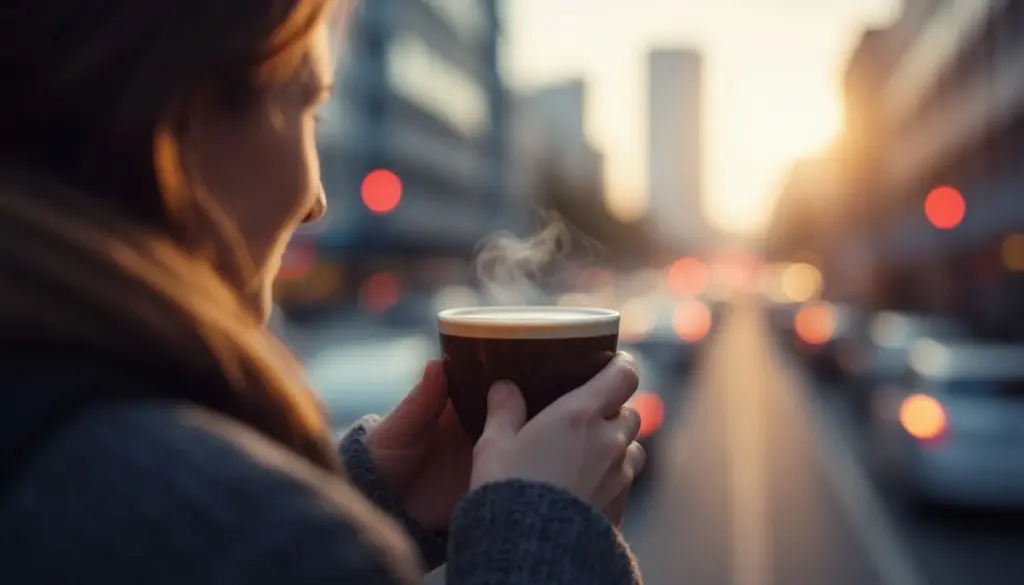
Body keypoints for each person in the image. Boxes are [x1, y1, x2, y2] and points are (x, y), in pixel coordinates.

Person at [0, 1, 648, 584]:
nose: (317, 200)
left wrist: (366, 502)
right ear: (179, 116)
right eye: (309, 106)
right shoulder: (253, 541)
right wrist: (544, 541)